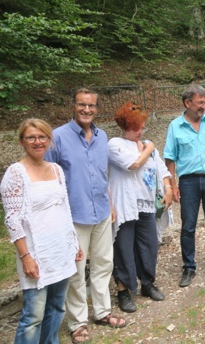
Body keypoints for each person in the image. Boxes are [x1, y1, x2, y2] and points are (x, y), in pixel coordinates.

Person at [45, 88, 127, 344]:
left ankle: (102, 311)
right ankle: (78, 322)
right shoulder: (57, 137)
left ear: (97, 108)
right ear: (73, 105)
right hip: (73, 216)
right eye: (82, 105)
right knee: (76, 271)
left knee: (104, 264)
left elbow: (103, 175)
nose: (86, 110)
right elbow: (48, 180)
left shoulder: (102, 137)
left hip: (101, 211)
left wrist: (111, 203)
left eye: (91, 106)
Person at [1, 119, 82, 344]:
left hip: (60, 250)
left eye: (42, 137)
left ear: (49, 140)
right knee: (33, 316)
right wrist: (25, 257)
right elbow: (12, 220)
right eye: (31, 137)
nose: (38, 142)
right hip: (36, 254)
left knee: (57, 307)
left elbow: (65, 208)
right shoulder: (16, 173)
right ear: (22, 141)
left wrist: (74, 242)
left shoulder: (56, 169)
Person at [108, 103, 173, 313]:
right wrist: (150, 148)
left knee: (149, 245)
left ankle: (147, 283)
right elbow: (133, 164)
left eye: (143, 127)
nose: (141, 131)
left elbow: (161, 169)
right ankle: (123, 290)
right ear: (126, 125)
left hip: (146, 205)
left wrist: (168, 188)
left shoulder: (145, 145)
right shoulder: (114, 144)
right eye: (137, 127)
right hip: (125, 205)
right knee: (124, 248)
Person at [164, 84, 205, 286]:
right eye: (200, 102)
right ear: (187, 103)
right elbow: (170, 159)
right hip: (188, 182)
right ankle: (189, 267)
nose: (204, 106)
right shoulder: (175, 126)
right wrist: (173, 185)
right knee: (188, 226)